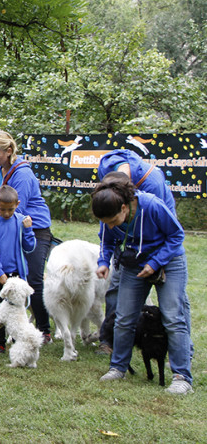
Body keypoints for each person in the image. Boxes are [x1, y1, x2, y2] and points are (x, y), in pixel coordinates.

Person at [92, 176, 193, 395]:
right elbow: (106, 240)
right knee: (124, 317)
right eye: (105, 222)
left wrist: (155, 263)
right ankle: (118, 368)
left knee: (173, 317)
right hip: (133, 262)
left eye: (112, 221)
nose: (109, 225)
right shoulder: (108, 212)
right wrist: (103, 262)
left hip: (168, 260)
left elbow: (177, 235)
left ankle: (181, 377)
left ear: (124, 207)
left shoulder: (152, 205)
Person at [96, 148, 177, 355]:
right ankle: (110, 340)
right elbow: (107, 230)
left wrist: (155, 263)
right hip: (129, 247)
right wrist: (105, 260)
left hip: (159, 244)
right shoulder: (107, 175)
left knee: (173, 307)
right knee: (118, 291)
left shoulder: (152, 187)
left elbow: (168, 232)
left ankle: (176, 349)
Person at [0, 130, 53, 342]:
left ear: (9, 151)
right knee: (8, 277)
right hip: (7, 227)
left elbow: (16, 212)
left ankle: (44, 329)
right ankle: (4, 321)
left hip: (33, 228)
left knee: (32, 279)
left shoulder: (22, 174)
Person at [0, 185, 35, 357]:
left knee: (18, 311)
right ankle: (0, 345)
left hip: (16, 275)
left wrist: (28, 230)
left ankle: (18, 342)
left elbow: (29, 247)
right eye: (2, 209)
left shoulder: (21, 221)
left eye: (11, 209)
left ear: (18, 204)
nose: (7, 213)